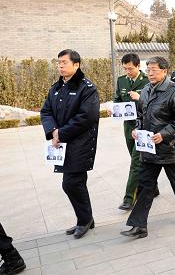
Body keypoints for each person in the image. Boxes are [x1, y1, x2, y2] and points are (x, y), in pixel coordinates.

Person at [120, 56, 175, 239]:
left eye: (154, 69)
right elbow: (141, 114)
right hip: (148, 147)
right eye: (149, 70)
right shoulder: (146, 89)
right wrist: (137, 130)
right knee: (145, 184)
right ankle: (138, 225)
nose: (151, 73)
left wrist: (164, 134)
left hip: (169, 147)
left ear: (165, 71)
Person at [40, 49, 99, 239]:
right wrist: (53, 132)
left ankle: (84, 220)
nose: (61, 65)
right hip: (62, 143)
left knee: (71, 183)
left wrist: (60, 133)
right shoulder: (56, 87)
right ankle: (86, 219)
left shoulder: (87, 88)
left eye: (65, 62)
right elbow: (46, 111)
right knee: (75, 183)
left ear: (76, 65)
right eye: (59, 62)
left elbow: (86, 117)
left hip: (81, 143)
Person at [113, 53, 153, 211]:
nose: (128, 71)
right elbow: (117, 99)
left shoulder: (147, 80)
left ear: (138, 66)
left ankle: (129, 198)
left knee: (136, 162)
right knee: (137, 158)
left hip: (144, 125)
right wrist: (114, 109)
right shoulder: (121, 81)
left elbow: (153, 102)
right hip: (128, 126)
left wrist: (139, 98)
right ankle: (152, 186)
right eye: (125, 68)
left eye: (130, 68)